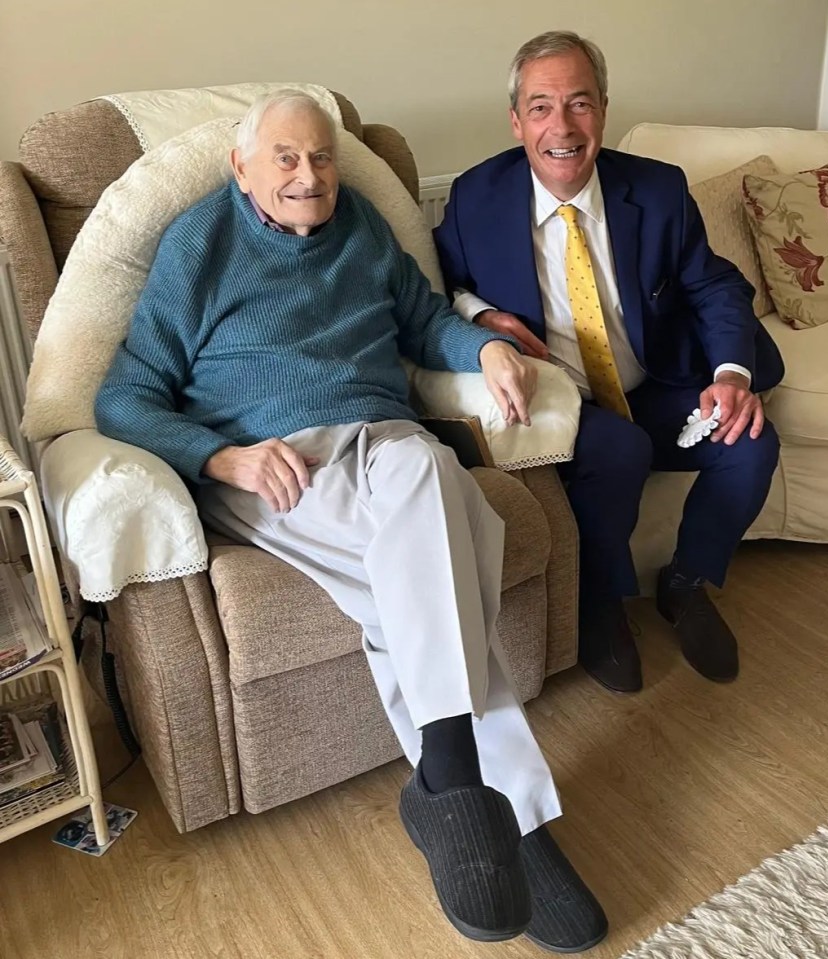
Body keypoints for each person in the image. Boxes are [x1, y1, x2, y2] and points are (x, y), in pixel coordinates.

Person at [95, 90, 608, 953]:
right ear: (242, 168)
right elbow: (124, 394)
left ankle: (449, 786)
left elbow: (421, 322)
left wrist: (481, 347)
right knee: (449, 530)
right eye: (286, 159)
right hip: (274, 463)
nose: (308, 175)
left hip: (379, 438)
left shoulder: (364, 226)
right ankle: (508, 817)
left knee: (423, 484)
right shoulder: (200, 244)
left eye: (321, 157)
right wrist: (222, 459)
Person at [434, 31, 784, 693]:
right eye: (539, 107)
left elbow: (714, 285)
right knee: (618, 447)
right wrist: (483, 318)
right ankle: (599, 605)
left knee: (749, 441)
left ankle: (685, 581)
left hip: (651, 382)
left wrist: (729, 377)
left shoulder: (656, 190)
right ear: (515, 121)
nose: (560, 127)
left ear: (602, 110)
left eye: (578, 104)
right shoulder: (475, 197)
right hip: (566, 400)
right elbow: (436, 287)